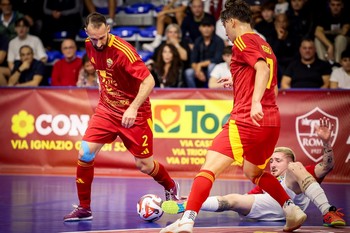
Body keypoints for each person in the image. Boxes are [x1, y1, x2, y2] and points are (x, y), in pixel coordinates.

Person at [159, 1, 306, 233]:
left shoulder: (242, 40)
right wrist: (238, 81)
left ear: (232, 22)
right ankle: (291, 209)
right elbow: (271, 85)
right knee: (254, 172)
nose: (226, 34)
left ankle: (187, 220)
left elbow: (262, 71)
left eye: (225, 28)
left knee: (208, 169)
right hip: (270, 121)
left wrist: (254, 101)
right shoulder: (264, 44)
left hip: (247, 120)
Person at [63, 12, 180, 222]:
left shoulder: (123, 51)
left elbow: (149, 81)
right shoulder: (90, 45)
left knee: (144, 165)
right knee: (85, 153)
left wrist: (133, 108)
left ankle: (170, 185)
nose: (98, 43)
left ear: (108, 29)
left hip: (135, 113)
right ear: (86, 33)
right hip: (107, 110)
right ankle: (84, 208)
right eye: (93, 38)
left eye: (102, 37)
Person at [162, 118, 346, 227]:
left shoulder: (300, 169)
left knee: (294, 169)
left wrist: (326, 143)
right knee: (232, 199)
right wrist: (196, 197)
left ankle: (328, 212)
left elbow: (327, 166)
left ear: (290, 160)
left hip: (295, 203)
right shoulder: (269, 183)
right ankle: (188, 205)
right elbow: (243, 198)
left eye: (278, 160)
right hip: (272, 205)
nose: (272, 164)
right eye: (271, 160)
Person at [184, 17, 225, 88]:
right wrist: (198, 71)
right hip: (200, 70)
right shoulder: (198, 41)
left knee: (211, 66)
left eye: (208, 26)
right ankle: (194, 95)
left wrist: (200, 65)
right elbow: (193, 60)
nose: (206, 29)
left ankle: (211, 92)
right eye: (204, 26)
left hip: (216, 69)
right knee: (188, 72)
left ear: (212, 28)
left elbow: (217, 59)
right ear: (200, 28)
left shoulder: (219, 41)